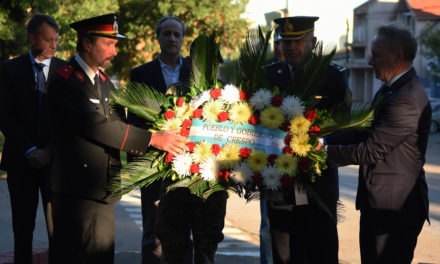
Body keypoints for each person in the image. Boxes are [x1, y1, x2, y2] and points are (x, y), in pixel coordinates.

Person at [47, 14, 186, 264]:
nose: (115, 50)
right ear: (88, 44)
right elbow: (97, 126)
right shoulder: (66, 80)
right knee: (72, 256)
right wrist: (152, 139)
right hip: (76, 191)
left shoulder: (104, 82)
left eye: (115, 43)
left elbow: (121, 124)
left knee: (101, 257)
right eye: (109, 43)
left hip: (104, 188)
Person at [326, 25, 431, 264]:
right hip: (381, 206)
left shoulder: (406, 98)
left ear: (398, 56)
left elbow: (371, 150)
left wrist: (317, 153)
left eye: (376, 55)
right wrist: (319, 140)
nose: (370, 60)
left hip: (395, 212)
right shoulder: (391, 90)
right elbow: (362, 132)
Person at [266, 16, 351, 264]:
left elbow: (343, 127)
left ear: (313, 41)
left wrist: (311, 146)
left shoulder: (333, 77)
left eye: (298, 41)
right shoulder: (271, 76)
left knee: (321, 252)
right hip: (279, 183)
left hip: (318, 184)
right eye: (286, 41)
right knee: (284, 255)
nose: (291, 47)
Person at [0, 14, 66, 263]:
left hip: (55, 164)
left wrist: (49, 151)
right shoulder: (9, 69)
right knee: (22, 232)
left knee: (58, 233)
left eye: (56, 40)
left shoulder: (65, 71)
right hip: (21, 162)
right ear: (32, 38)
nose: (53, 45)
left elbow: (68, 119)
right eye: (48, 39)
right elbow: (4, 115)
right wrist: (29, 149)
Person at [156, 38, 228, 264]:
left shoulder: (230, 96)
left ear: (218, 64)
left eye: (211, 63)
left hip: (211, 191)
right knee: (173, 252)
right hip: (176, 187)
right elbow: (162, 129)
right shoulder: (175, 91)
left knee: (206, 254)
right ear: (189, 62)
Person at [130, 16, 191, 264]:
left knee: (184, 232)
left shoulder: (194, 73)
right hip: (153, 164)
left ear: (182, 38)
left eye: (177, 34)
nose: (172, 39)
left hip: (189, 165)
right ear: (158, 37)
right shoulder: (141, 74)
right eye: (167, 34)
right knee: (153, 234)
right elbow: (134, 120)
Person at [260, 24, 286, 264]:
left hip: (298, 161)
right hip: (268, 163)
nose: (280, 45)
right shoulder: (265, 72)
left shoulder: (316, 72)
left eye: (284, 40)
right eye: (276, 41)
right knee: (268, 226)